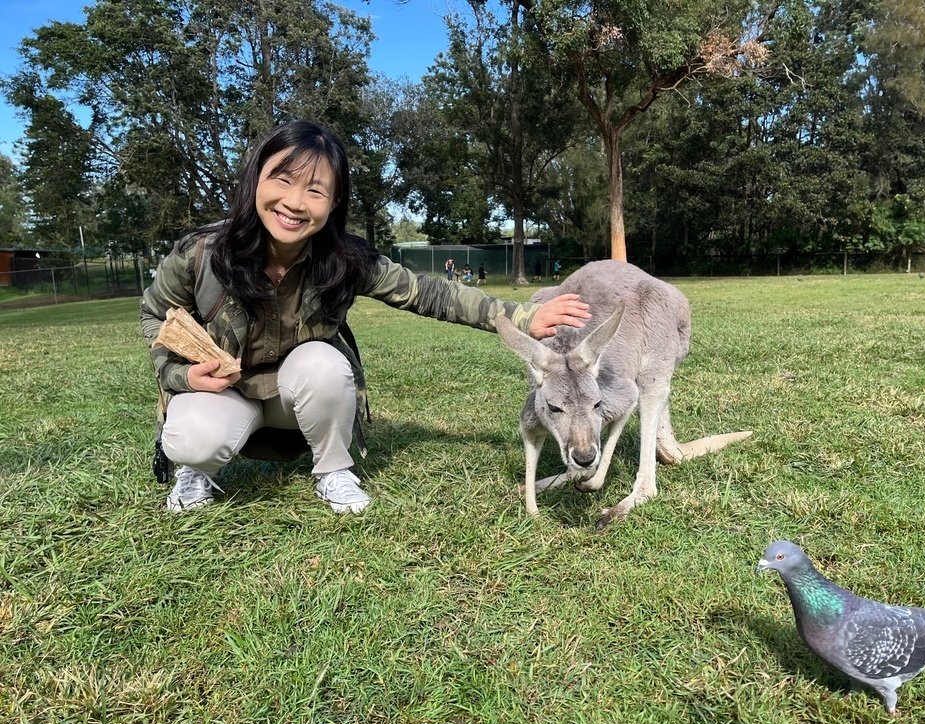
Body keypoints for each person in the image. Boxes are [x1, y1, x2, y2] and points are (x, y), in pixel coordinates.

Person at [141, 120, 589, 513]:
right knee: (192, 437)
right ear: (256, 179)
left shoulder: (345, 259)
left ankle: (332, 470)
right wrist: (182, 377)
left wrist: (520, 315)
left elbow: (429, 294)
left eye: (315, 190)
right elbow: (154, 315)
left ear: (333, 202)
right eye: (282, 180)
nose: (295, 203)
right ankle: (195, 470)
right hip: (226, 393)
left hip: (294, 399)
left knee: (324, 364)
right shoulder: (201, 253)